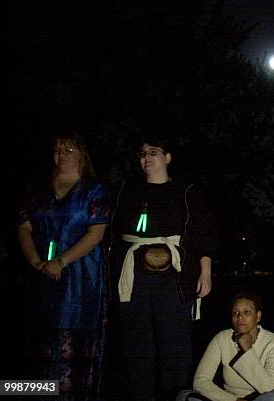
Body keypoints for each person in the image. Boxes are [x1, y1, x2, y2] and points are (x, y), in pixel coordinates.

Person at [109, 136, 219, 401]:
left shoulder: (185, 190)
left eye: (154, 152)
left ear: (167, 158)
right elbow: (113, 233)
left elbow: (201, 233)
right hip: (133, 280)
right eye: (143, 153)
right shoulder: (128, 190)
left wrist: (205, 271)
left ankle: (178, 396)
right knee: (137, 350)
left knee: (175, 349)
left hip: (174, 281)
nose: (146, 157)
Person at [17, 132, 109, 400]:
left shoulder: (94, 189)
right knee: (38, 347)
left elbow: (96, 233)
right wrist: (35, 261)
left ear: (81, 154)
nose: (63, 154)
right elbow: (23, 227)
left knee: (74, 349)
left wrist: (62, 261)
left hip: (81, 277)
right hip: (41, 275)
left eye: (70, 149)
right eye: (58, 149)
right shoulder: (37, 189)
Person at [177, 291, 274, 401]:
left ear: (258, 316)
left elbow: (267, 387)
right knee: (184, 396)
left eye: (247, 312)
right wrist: (235, 400)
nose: (240, 317)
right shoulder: (222, 338)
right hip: (229, 399)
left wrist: (248, 350)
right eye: (235, 313)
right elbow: (200, 381)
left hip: (261, 398)